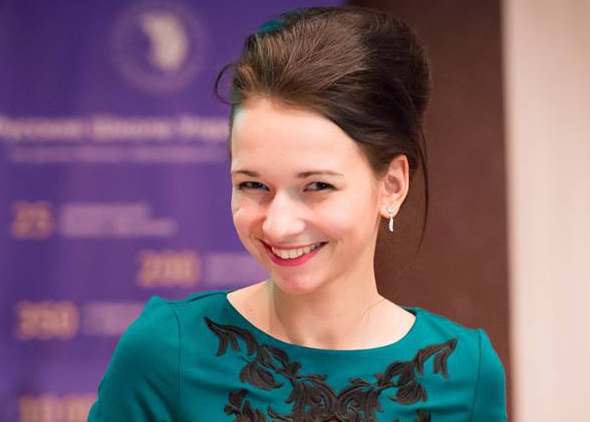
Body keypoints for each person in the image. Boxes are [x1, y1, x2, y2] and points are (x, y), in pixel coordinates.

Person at [88, 6, 506, 422]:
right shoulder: (166, 353)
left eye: (317, 186)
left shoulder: (463, 373)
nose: (278, 224)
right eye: (253, 185)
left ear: (392, 185)